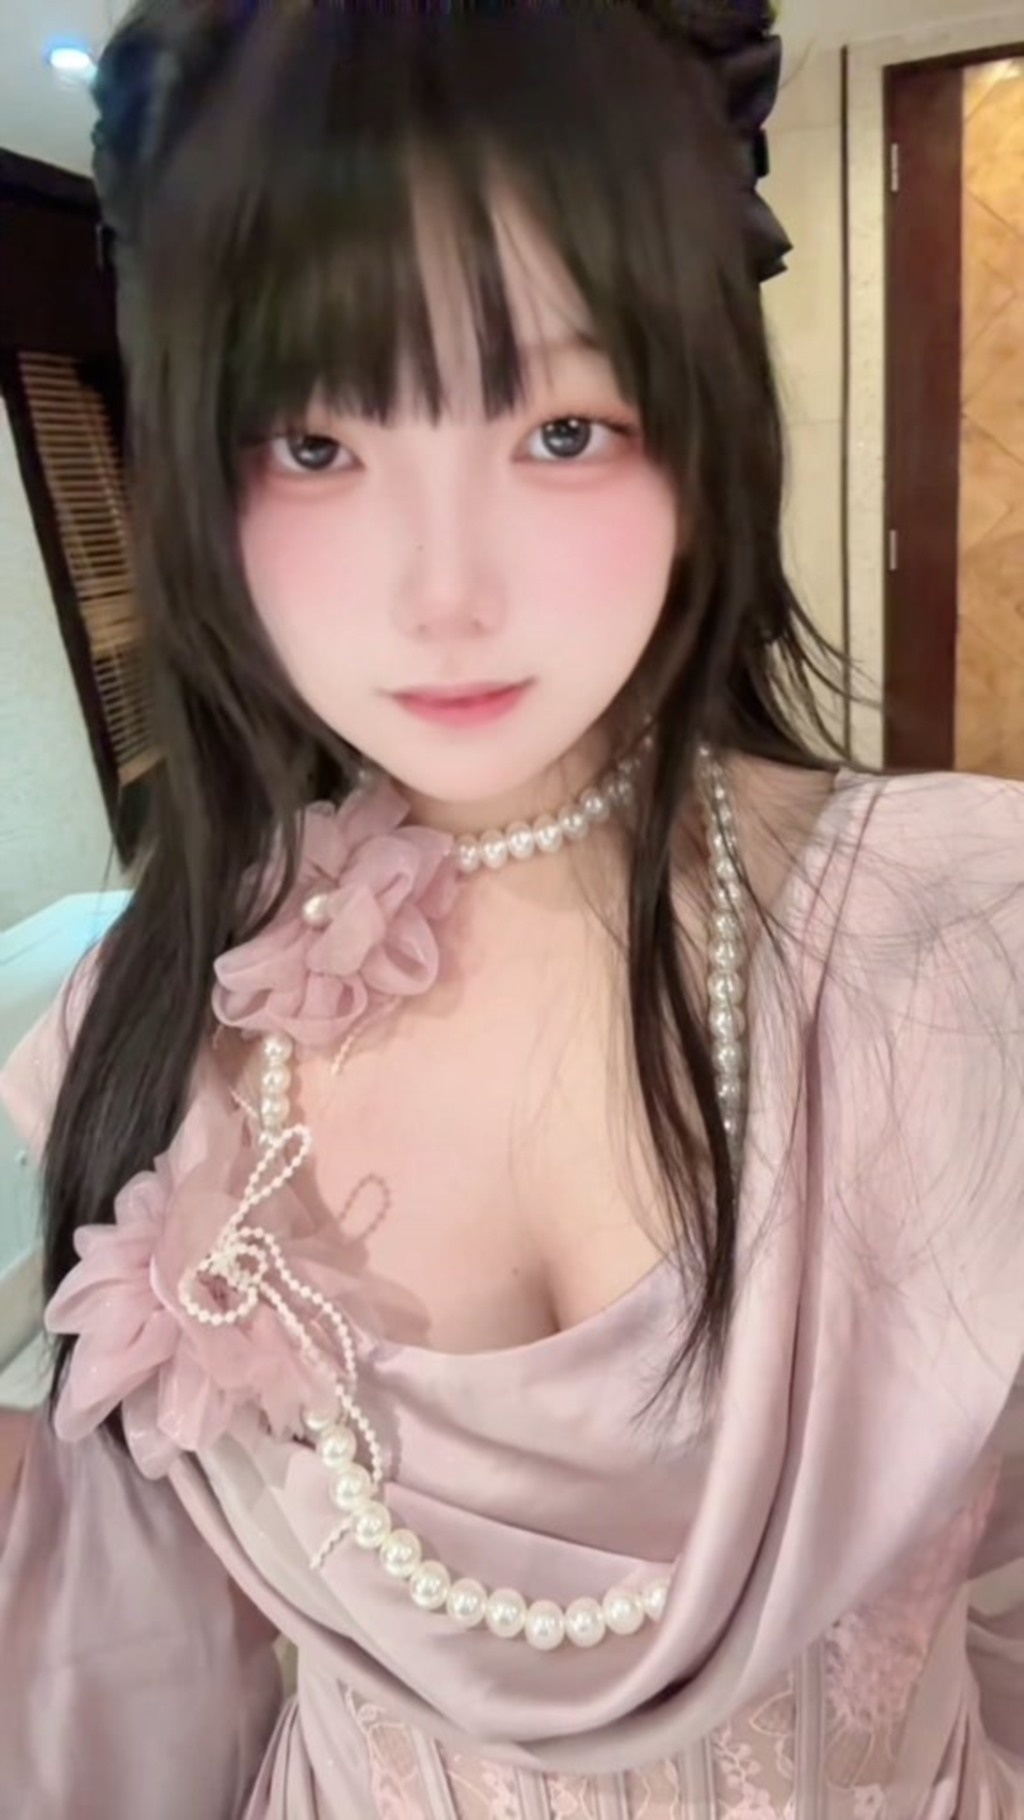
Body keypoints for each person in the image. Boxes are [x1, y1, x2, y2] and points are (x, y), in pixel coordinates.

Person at [1, 2, 1022, 1815]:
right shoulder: (135, 1029)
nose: (442, 596)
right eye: (314, 447)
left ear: (699, 420)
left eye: (559, 428)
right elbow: (147, 1663)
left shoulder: (973, 935)